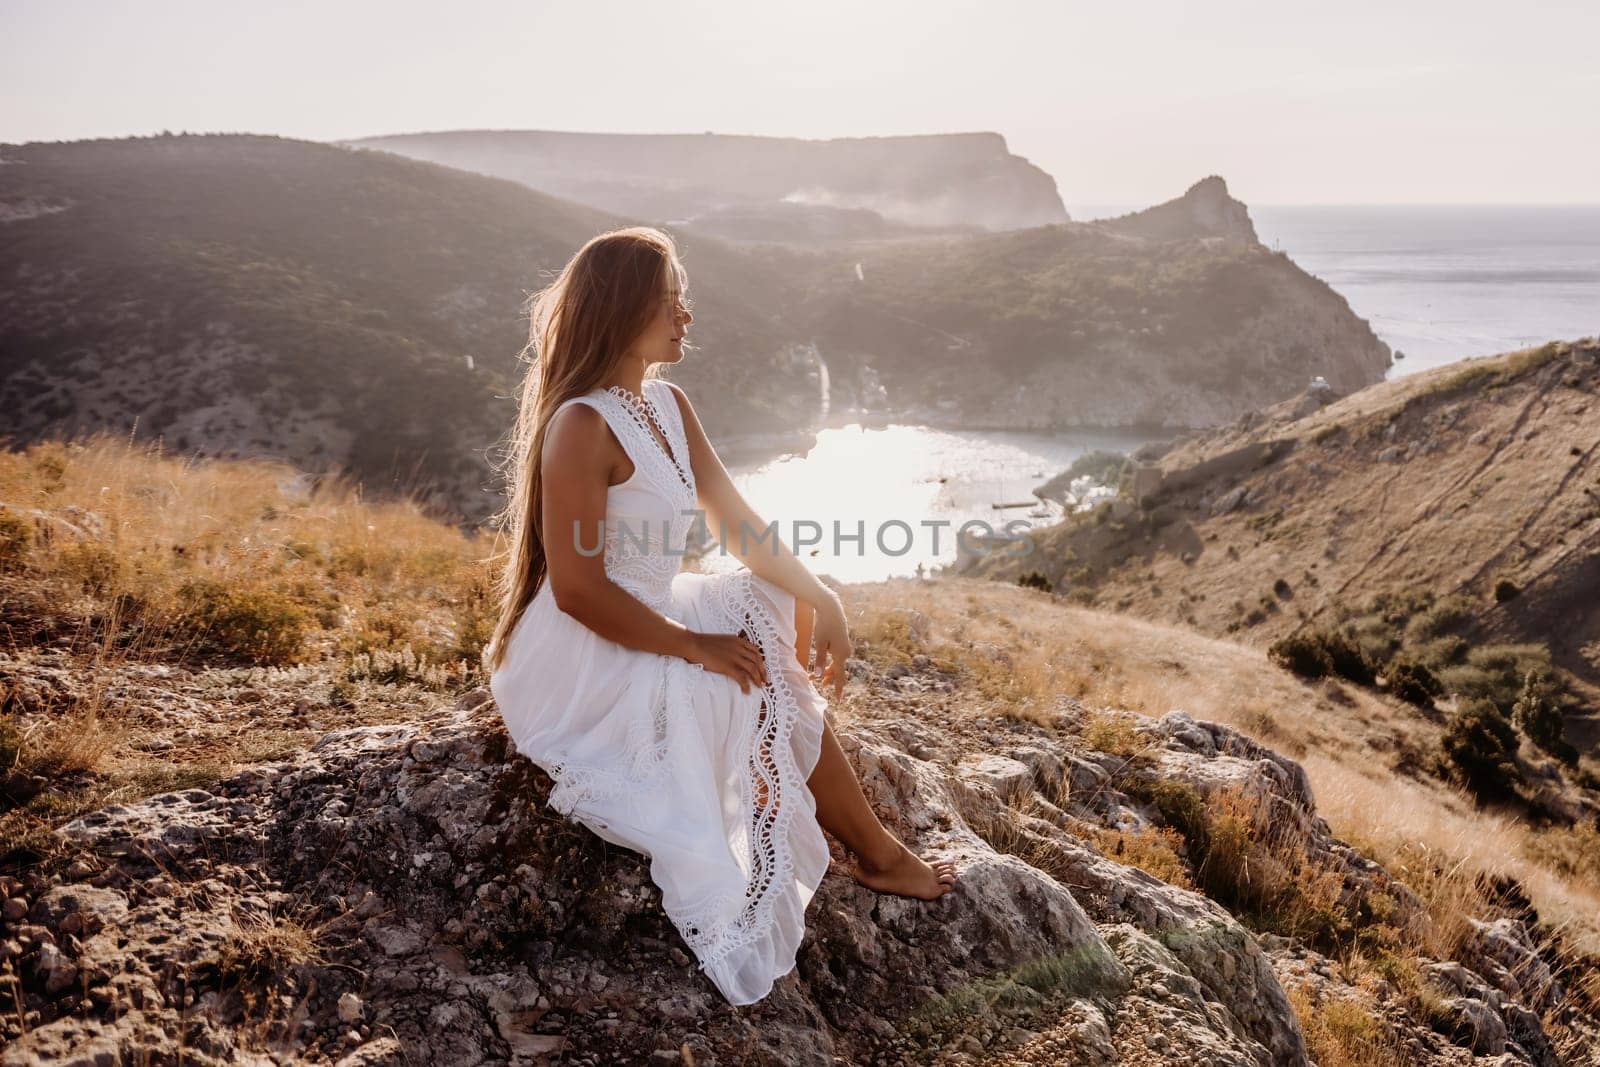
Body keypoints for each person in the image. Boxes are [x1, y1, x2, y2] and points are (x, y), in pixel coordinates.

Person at [483, 226, 957, 1006]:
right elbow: (575, 589)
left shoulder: (666, 403)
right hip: (587, 647)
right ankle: (872, 847)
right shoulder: (581, 425)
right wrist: (694, 646)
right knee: (740, 675)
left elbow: (736, 522)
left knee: (770, 605)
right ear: (624, 307)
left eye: (683, 299)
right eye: (670, 299)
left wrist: (822, 594)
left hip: (656, 610)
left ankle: (864, 840)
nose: (686, 315)